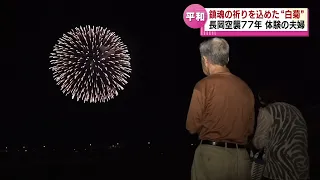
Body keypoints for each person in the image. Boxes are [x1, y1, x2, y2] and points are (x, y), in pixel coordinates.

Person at [186, 38, 255, 180]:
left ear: (205, 60)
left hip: (212, 157)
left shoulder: (203, 85)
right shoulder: (245, 88)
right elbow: (249, 129)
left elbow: (192, 126)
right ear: (227, 58)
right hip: (241, 159)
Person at [252, 89, 309, 180]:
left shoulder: (267, 111)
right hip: (300, 168)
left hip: (278, 170)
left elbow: (259, 143)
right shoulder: (296, 110)